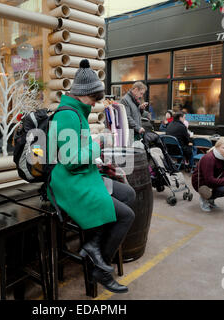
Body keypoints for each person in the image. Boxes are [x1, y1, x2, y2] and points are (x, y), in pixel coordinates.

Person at [47, 59, 136, 294]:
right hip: (69, 182)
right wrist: (99, 145)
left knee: (129, 194)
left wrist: (96, 154)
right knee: (126, 215)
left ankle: (94, 243)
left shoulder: (78, 112)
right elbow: (71, 159)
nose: (96, 103)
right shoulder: (68, 116)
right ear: (82, 94)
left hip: (82, 175)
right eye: (95, 98)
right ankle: (100, 267)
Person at [191, 138, 224, 212]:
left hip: (213, 178)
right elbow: (209, 180)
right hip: (201, 183)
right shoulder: (209, 159)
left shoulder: (222, 156)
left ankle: (211, 198)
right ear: (217, 148)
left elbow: (219, 172)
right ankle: (205, 198)